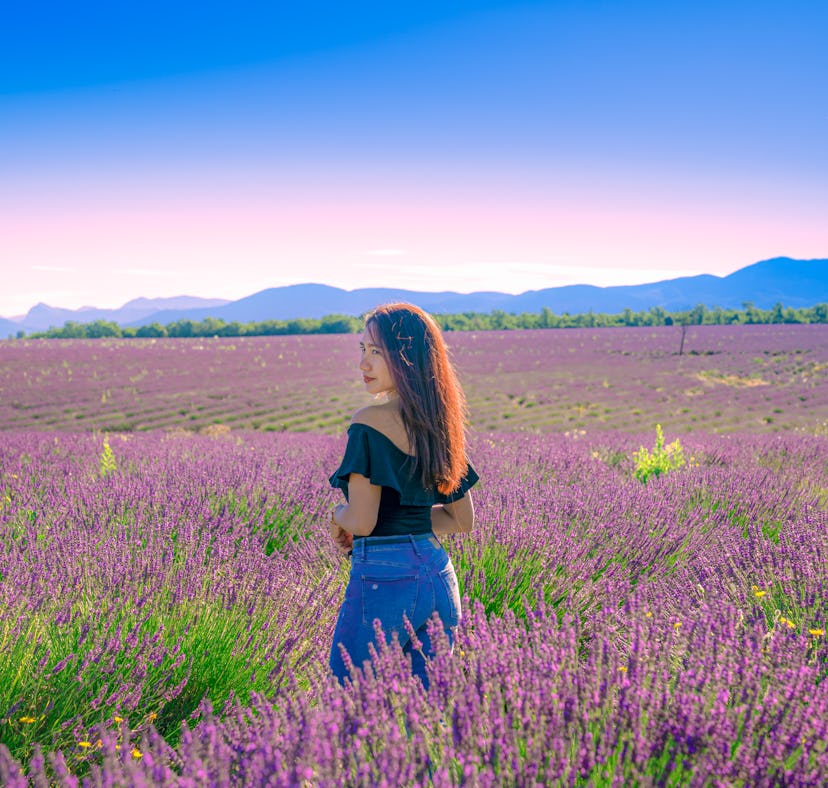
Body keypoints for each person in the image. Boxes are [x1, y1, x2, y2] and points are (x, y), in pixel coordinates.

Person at [328, 303, 478, 688]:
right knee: (425, 714)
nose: (363, 363)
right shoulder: (440, 425)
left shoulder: (368, 423)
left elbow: (362, 521)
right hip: (438, 574)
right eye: (362, 349)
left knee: (350, 697)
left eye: (377, 352)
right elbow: (461, 521)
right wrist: (404, 521)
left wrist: (336, 517)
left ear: (406, 356)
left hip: (384, 576)